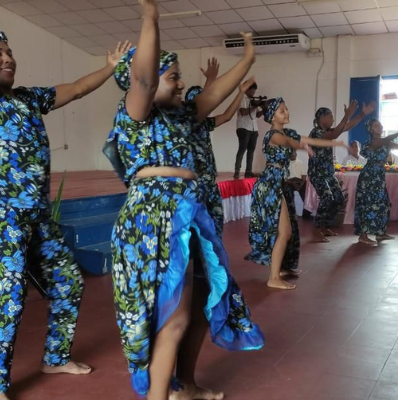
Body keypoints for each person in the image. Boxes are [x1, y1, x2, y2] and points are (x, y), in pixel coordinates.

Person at [0, 1, 130, 399]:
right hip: (3, 216)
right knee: (9, 297)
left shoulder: (28, 98)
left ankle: (55, 357)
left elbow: (74, 89)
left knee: (68, 282)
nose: (7, 58)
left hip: (37, 214)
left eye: (9, 52)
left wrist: (110, 67)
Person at [106, 2, 263, 398]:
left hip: (190, 214)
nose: (181, 84)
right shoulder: (135, 113)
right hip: (154, 219)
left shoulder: (182, 116)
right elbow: (142, 80)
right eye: (173, 77)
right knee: (171, 321)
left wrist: (247, 58)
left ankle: (185, 386)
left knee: (195, 314)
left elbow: (215, 92)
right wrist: (150, 19)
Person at [245, 98, 350, 290]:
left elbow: (309, 139)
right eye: (282, 111)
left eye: (287, 109)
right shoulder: (272, 135)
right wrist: (299, 145)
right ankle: (274, 277)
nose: (287, 113)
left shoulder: (287, 132)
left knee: (286, 232)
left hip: (277, 185)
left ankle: (278, 273)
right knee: (284, 232)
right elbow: (287, 141)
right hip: (269, 185)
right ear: (272, 116)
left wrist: (340, 143)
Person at [185, 63, 256, 236]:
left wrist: (240, 93)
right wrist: (210, 81)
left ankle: (211, 260)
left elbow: (226, 116)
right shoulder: (185, 124)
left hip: (209, 185)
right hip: (192, 187)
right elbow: (202, 103)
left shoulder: (205, 123)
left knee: (215, 225)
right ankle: (199, 260)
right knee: (194, 230)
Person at [308, 102, 375, 242]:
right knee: (327, 198)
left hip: (328, 173)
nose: (333, 119)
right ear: (323, 117)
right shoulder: (316, 132)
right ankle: (316, 230)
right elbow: (335, 133)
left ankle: (324, 226)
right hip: (317, 173)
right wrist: (347, 114)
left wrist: (362, 114)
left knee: (338, 199)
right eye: (331, 117)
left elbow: (346, 126)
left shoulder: (328, 131)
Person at [355, 119, 398, 246]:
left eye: (380, 125)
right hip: (369, 175)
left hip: (379, 174)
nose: (380, 127)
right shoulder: (370, 142)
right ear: (370, 129)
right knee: (368, 204)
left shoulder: (385, 142)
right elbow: (384, 141)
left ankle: (380, 233)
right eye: (376, 125)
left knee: (383, 203)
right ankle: (363, 235)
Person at [234, 81, 263, 178]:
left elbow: (258, 115)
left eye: (254, 90)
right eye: (252, 90)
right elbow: (243, 112)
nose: (253, 93)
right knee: (242, 149)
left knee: (251, 150)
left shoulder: (253, 100)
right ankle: (237, 171)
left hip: (253, 128)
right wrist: (254, 106)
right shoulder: (242, 98)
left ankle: (248, 171)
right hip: (243, 127)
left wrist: (264, 107)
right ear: (247, 89)